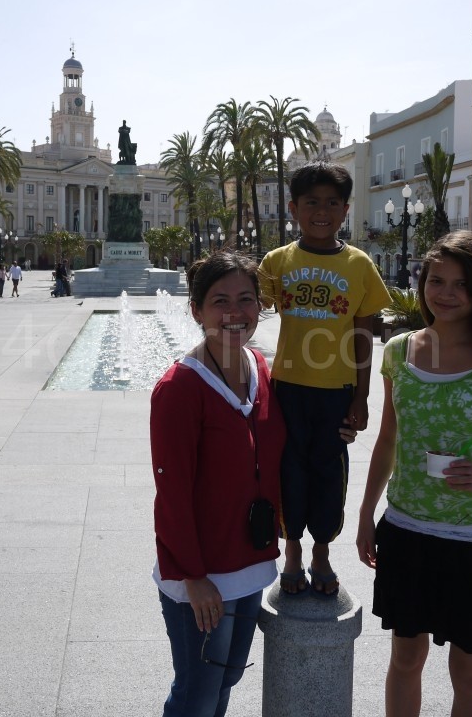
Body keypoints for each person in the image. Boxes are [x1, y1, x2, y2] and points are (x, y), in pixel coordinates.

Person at [355, 231, 472, 717]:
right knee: (405, 658)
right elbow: (387, 440)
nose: (444, 293)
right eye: (436, 280)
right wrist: (364, 514)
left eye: (461, 284)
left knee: (469, 673)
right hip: (406, 530)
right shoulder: (398, 351)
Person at [151, 250, 284, 717]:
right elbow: (172, 495)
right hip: (202, 574)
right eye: (219, 300)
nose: (235, 313)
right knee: (198, 692)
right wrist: (193, 576)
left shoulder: (259, 370)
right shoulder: (180, 388)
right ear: (196, 310)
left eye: (246, 299)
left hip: (248, 563)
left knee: (226, 676)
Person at [259, 161, 391, 597]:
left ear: (345, 209)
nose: (322, 211)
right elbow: (243, 313)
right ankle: (292, 547)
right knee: (289, 468)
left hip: (337, 392)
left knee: (329, 471)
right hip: (287, 390)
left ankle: (321, 550)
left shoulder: (359, 264)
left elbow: (364, 334)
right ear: (294, 208)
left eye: (332, 203)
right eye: (311, 202)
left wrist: (362, 396)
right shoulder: (276, 262)